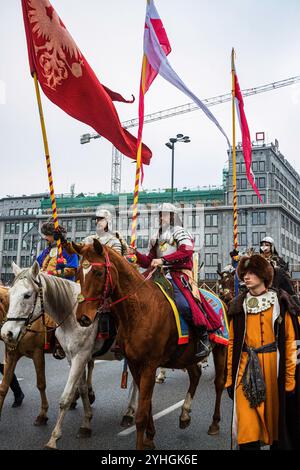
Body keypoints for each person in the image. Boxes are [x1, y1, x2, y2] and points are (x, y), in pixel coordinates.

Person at [226, 254, 300, 450]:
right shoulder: (237, 305)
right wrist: (229, 378)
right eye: (245, 273)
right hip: (246, 368)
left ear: (262, 275)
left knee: (277, 426)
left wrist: (290, 379)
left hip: (273, 368)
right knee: (247, 428)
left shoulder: (281, 302)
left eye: (251, 273)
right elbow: (232, 344)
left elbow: (290, 342)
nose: (246, 277)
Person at [132, 203, 222, 358]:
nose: (162, 217)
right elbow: (148, 261)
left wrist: (163, 260)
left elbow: (186, 252)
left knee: (184, 305)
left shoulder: (181, 232)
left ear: (173, 216)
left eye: (165, 214)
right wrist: (135, 255)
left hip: (178, 274)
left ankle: (203, 337)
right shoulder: (156, 236)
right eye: (160, 214)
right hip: (158, 275)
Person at [37, 221, 79, 359]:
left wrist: (55, 273)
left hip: (63, 288)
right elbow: (37, 265)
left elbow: (73, 269)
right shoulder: (47, 251)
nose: (45, 238)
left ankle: (58, 344)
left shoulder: (68, 250)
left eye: (47, 235)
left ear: (55, 236)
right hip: (44, 285)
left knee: (56, 312)